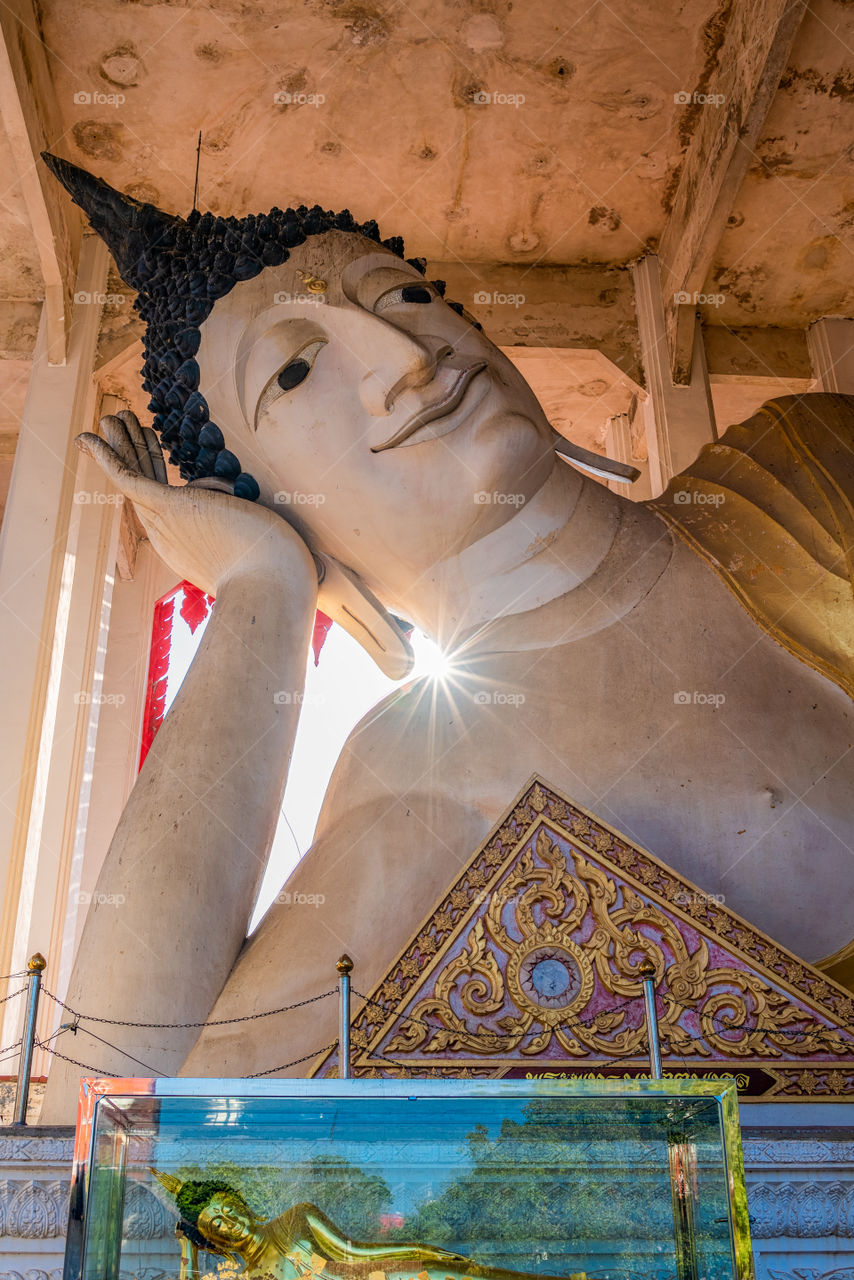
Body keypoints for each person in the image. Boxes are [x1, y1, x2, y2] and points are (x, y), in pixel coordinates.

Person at [38, 157, 854, 1115]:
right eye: (296, 370)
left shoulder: (804, 478)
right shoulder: (412, 783)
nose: (404, 354)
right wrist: (261, 589)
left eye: (407, 295)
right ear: (278, 512)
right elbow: (120, 1134)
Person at [150, 1171, 592, 1280]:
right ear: (210, 1236)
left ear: (241, 1201)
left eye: (228, 1209)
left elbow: (356, 1256)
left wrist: (423, 1251)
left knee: (458, 1273)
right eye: (216, 1225)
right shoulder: (245, 1275)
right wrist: (188, 1253)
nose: (230, 1224)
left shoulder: (296, 1220)